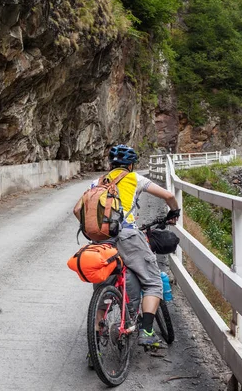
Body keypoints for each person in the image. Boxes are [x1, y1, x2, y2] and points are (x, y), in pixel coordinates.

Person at [92, 144, 179, 346]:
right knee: (153, 281)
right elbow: (169, 196)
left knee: (104, 286)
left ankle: (95, 344)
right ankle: (147, 332)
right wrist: (174, 212)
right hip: (127, 235)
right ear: (130, 165)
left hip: (100, 240)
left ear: (111, 164)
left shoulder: (96, 182)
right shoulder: (134, 178)